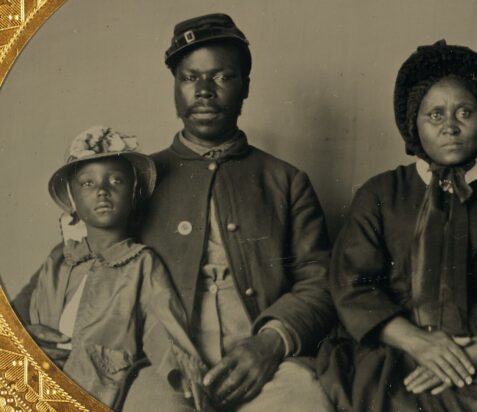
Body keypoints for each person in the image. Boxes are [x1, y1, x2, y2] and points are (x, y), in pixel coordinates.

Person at [315, 40, 477, 412]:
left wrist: (473, 353)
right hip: (393, 348)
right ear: (413, 123)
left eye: (465, 112)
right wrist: (418, 343)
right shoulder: (380, 193)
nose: (450, 127)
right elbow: (353, 285)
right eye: (435, 115)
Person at [113, 13, 336, 411]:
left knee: (308, 401)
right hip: (163, 366)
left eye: (221, 77)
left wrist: (270, 343)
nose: (203, 91)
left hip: (267, 365)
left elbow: (319, 282)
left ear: (245, 87)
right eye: (189, 77)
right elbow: (94, 260)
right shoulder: (136, 178)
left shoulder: (286, 180)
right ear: (175, 87)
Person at [25, 126, 207, 409]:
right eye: (88, 183)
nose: (102, 191)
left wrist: (184, 370)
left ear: (133, 195)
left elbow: (163, 327)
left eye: (116, 181)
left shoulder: (141, 263)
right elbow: (28, 319)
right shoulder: (59, 261)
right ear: (72, 200)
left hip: (101, 388)